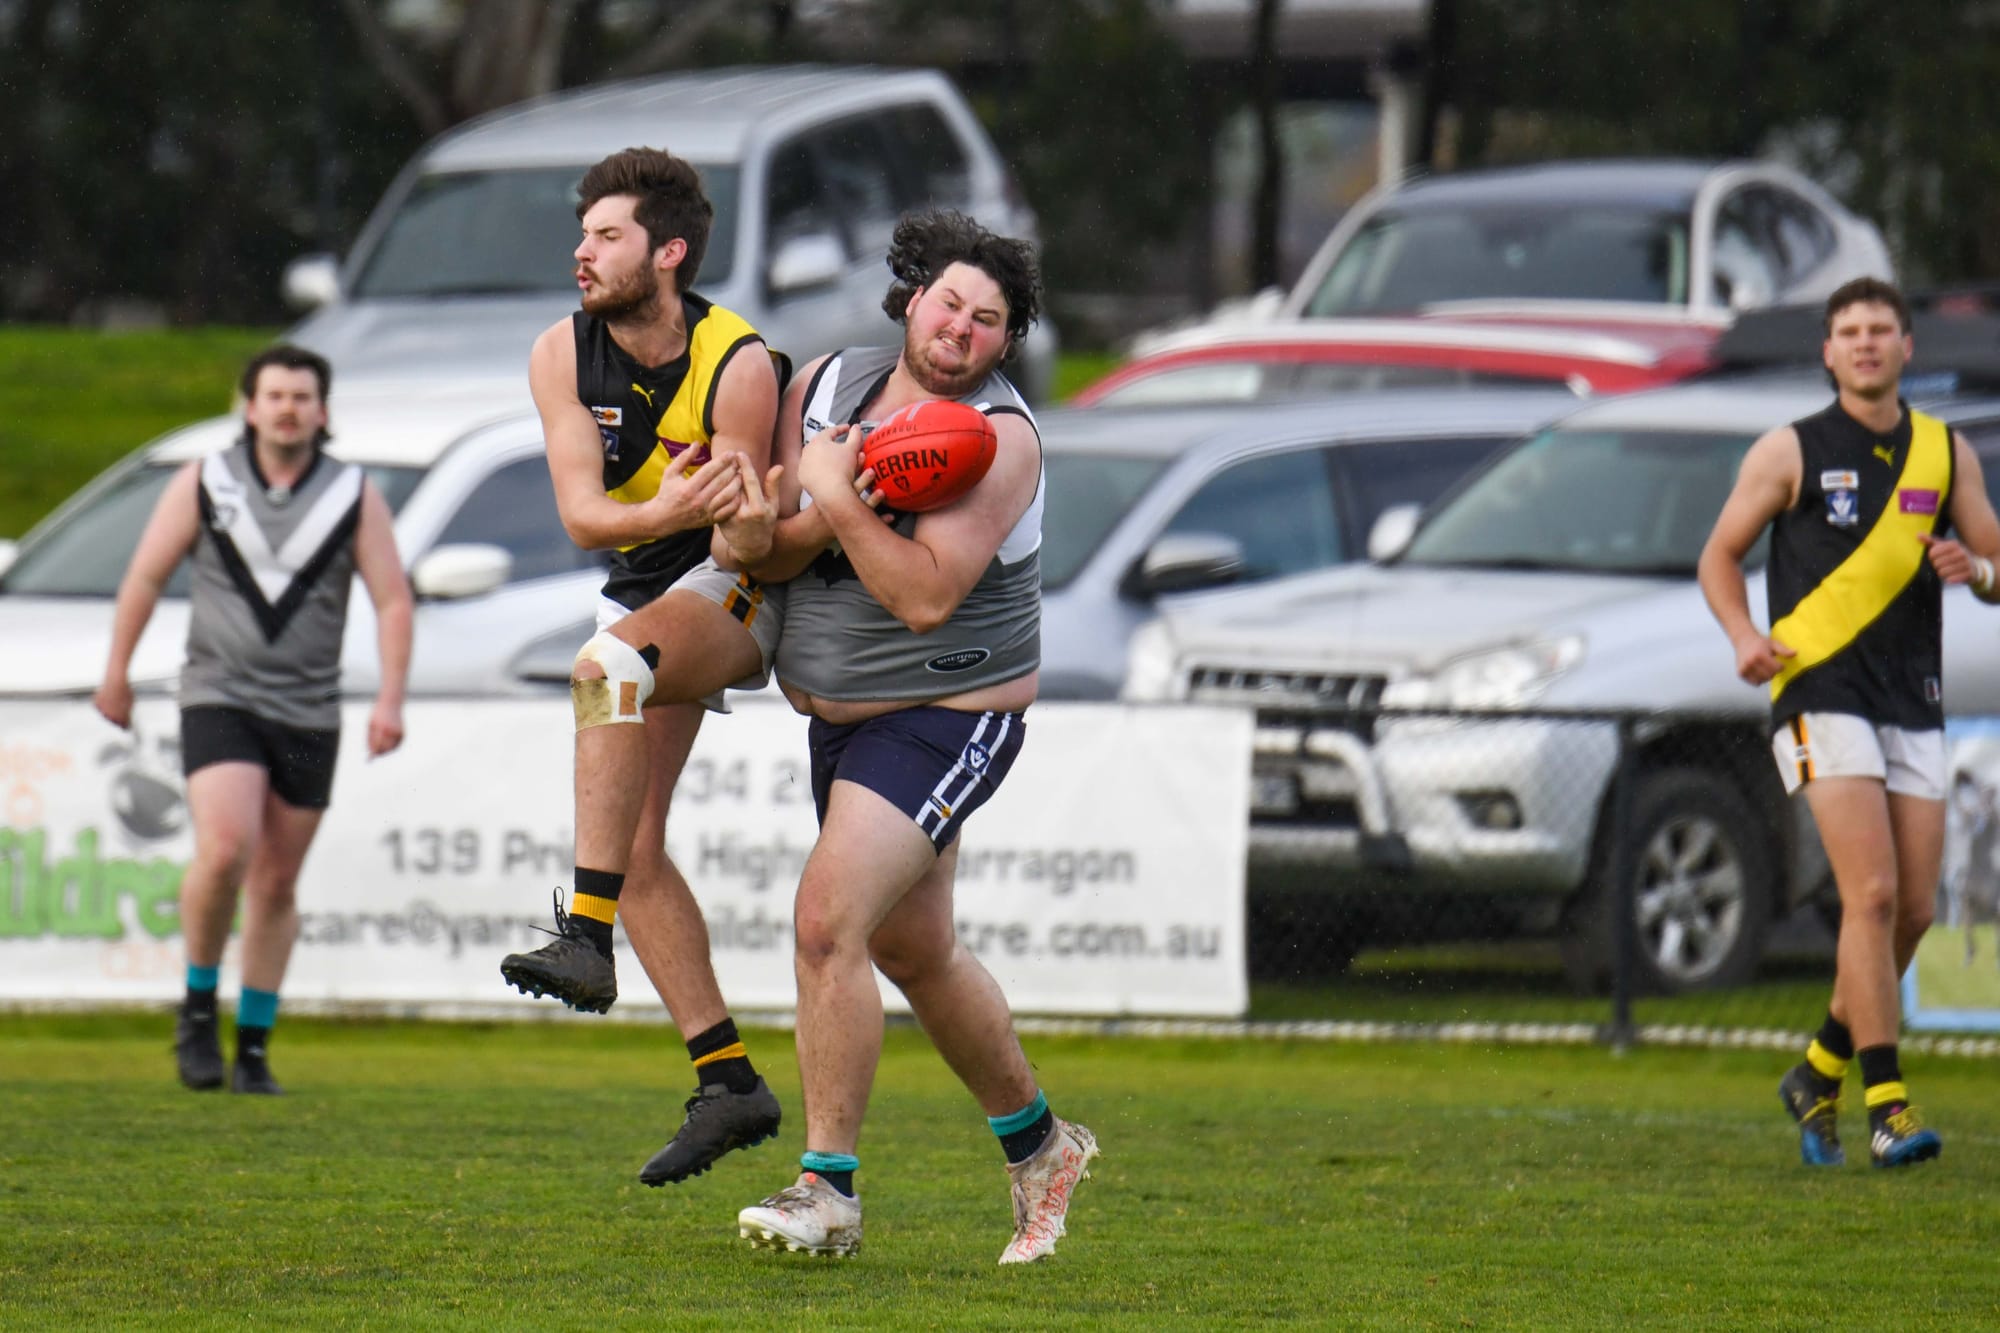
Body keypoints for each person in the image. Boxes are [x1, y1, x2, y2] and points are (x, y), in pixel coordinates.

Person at [720, 209, 1097, 1263]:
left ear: (1006, 341)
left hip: (947, 715)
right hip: (840, 719)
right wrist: (756, 530)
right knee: (911, 948)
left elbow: (928, 597)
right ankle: (1040, 1145)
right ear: (912, 297)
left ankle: (825, 1188)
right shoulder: (832, 383)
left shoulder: (1001, 437)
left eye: (989, 320)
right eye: (949, 304)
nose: (962, 331)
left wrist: (838, 498)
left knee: (824, 922)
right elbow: (787, 544)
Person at [495, 146, 790, 1184]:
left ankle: (583, 933)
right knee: (639, 844)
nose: (582, 252)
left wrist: (709, 518)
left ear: (667, 252)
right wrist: (667, 505)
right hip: (643, 591)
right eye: (581, 235)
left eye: (607, 236)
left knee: (601, 669)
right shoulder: (558, 354)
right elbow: (586, 519)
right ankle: (729, 1082)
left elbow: (738, 542)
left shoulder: (737, 361)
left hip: (738, 592)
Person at [1699, 276, 2000, 1168]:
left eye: (1881, 330)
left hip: (1914, 695)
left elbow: (1995, 561)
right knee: (1867, 896)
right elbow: (1718, 554)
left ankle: (1817, 1069)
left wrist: (1973, 570)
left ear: (1909, 347)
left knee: (1910, 910)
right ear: (1827, 353)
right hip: (1818, 690)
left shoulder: (1947, 454)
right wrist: (1743, 635)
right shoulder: (1789, 451)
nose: (1866, 344)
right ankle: (1888, 1107)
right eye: (1849, 332)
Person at [94, 345, 412, 1095]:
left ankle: (256, 1043)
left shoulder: (353, 494)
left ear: (322, 411)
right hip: (219, 692)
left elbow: (393, 599)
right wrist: (117, 671)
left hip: (309, 706)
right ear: (249, 405)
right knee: (227, 847)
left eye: (302, 396)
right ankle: (199, 1009)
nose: (288, 408)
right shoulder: (205, 480)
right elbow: (143, 574)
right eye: (274, 395)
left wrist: (390, 698)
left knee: (275, 883)